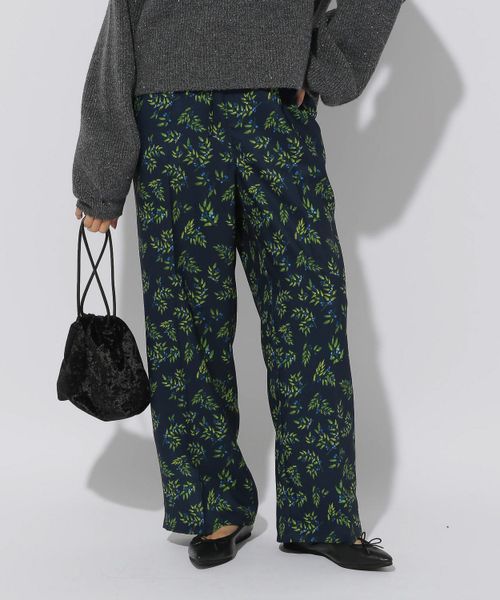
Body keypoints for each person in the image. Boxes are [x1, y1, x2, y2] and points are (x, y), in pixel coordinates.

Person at [72, 0, 405, 570]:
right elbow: (123, 17)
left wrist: (327, 61)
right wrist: (101, 174)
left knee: (310, 313)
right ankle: (214, 508)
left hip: (277, 111)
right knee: (186, 325)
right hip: (170, 110)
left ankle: (321, 514)